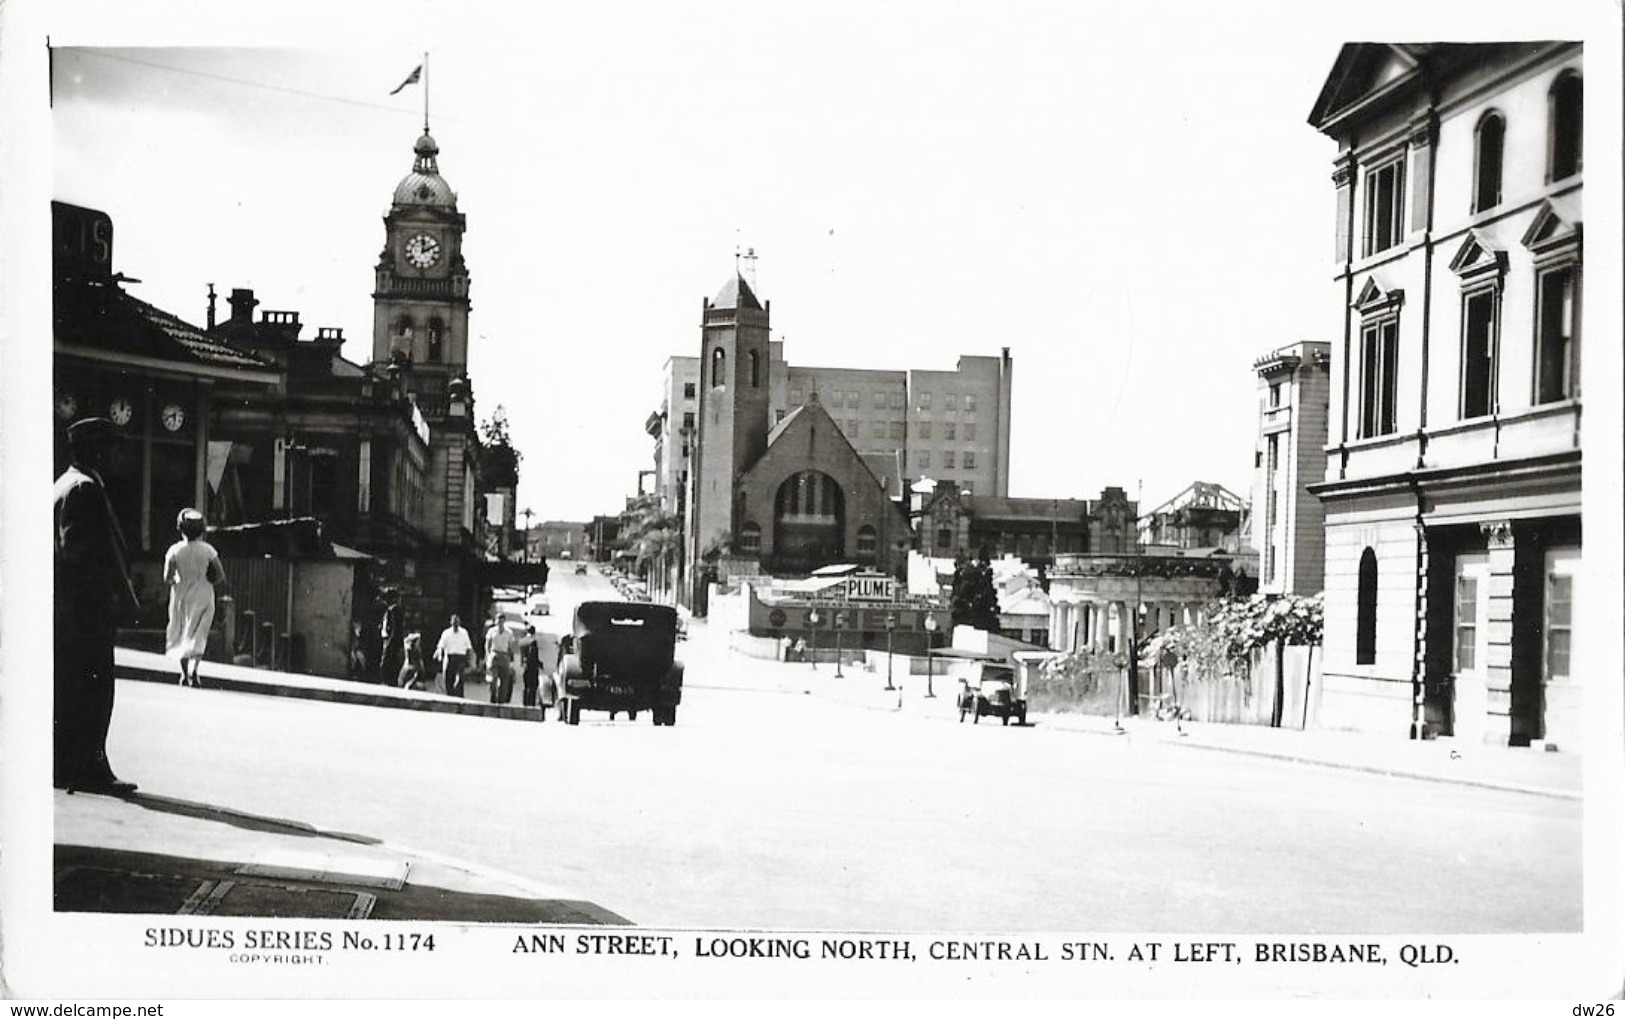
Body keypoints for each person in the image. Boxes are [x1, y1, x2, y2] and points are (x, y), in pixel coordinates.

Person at [53, 417, 141, 794]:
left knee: (71, 688)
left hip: (69, 611)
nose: (116, 454)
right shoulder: (85, 488)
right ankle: (89, 766)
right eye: (111, 446)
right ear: (95, 450)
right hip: (86, 612)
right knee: (95, 688)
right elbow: (79, 554)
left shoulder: (66, 483)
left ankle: (66, 763)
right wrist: (107, 596)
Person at [162, 508, 224, 688]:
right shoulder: (208, 550)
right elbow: (219, 574)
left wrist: (177, 580)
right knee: (199, 633)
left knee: (183, 632)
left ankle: (183, 673)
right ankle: (194, 670)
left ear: (180, 529)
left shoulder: (174, 550)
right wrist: (208, 578)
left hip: (182, 595)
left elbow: (167, 577)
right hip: (204, 594)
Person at [433, 615, 472, 698]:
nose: (455, 624)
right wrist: (439, 655)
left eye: (457, 622)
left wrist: (468, 660)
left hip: (460, 657)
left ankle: (460, 697)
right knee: (448, 679)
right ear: (451, 623)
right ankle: (450, 696)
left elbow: (468, 647)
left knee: (459, 679)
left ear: (459, 623)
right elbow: (441, 646)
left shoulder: (464, 632)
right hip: (450, 657)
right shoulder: (446, 633)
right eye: (454, 622)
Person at [484, 616, 515, 705]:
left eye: (501, 621)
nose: (500, 623)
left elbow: (510, 647)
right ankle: (493, 697)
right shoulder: (491, 631)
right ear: (496, 621)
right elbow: (487, 645)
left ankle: (501, 701)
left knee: (504, 680)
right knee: (493, 679)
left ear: (504, 621)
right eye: (498, 621)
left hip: (504, 655)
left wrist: (511, 660)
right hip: (494, 655)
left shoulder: (509, 632)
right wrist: (488, 656)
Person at [378, 589, 404, 686]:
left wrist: (390, 642)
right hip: (391, 641)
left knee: (387, 663)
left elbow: (395, 628)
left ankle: (388, 682)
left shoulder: (393, 610)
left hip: (391, 641)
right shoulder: (392, 609)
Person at [519, 625, 542, 707]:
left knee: (526, 685)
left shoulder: (522, 641)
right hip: (532, 667)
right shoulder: (533, 641)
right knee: (533, 687)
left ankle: (525, 702)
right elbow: (533, 654)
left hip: (525, 666)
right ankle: (531, 703)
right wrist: (539, 664)